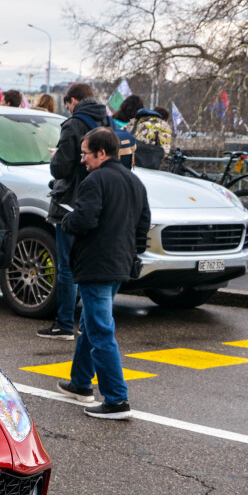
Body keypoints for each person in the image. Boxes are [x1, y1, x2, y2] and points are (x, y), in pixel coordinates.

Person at [57, 127, 149, 419]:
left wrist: (66, 220)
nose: (82, 159)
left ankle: (116, 399)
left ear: (101, 153)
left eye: (85, 153)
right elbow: (143, 224)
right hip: (120, 264)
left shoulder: (95, 179)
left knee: (99, 330)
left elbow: (84, 219)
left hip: (96, 264)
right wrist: (132, 254)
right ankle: (81, 383)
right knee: (91, 324)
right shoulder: (134, 181)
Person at [40, 82, 109, 340]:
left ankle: (64, 323)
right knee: (84, 262)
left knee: (66, 265)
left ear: (72, 101)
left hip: (70, 200)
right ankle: (85, 322)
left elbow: (61, 168)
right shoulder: (105, 123)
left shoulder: (73, 124)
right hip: (96, 199)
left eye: (67, 104)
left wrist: (56, 156)